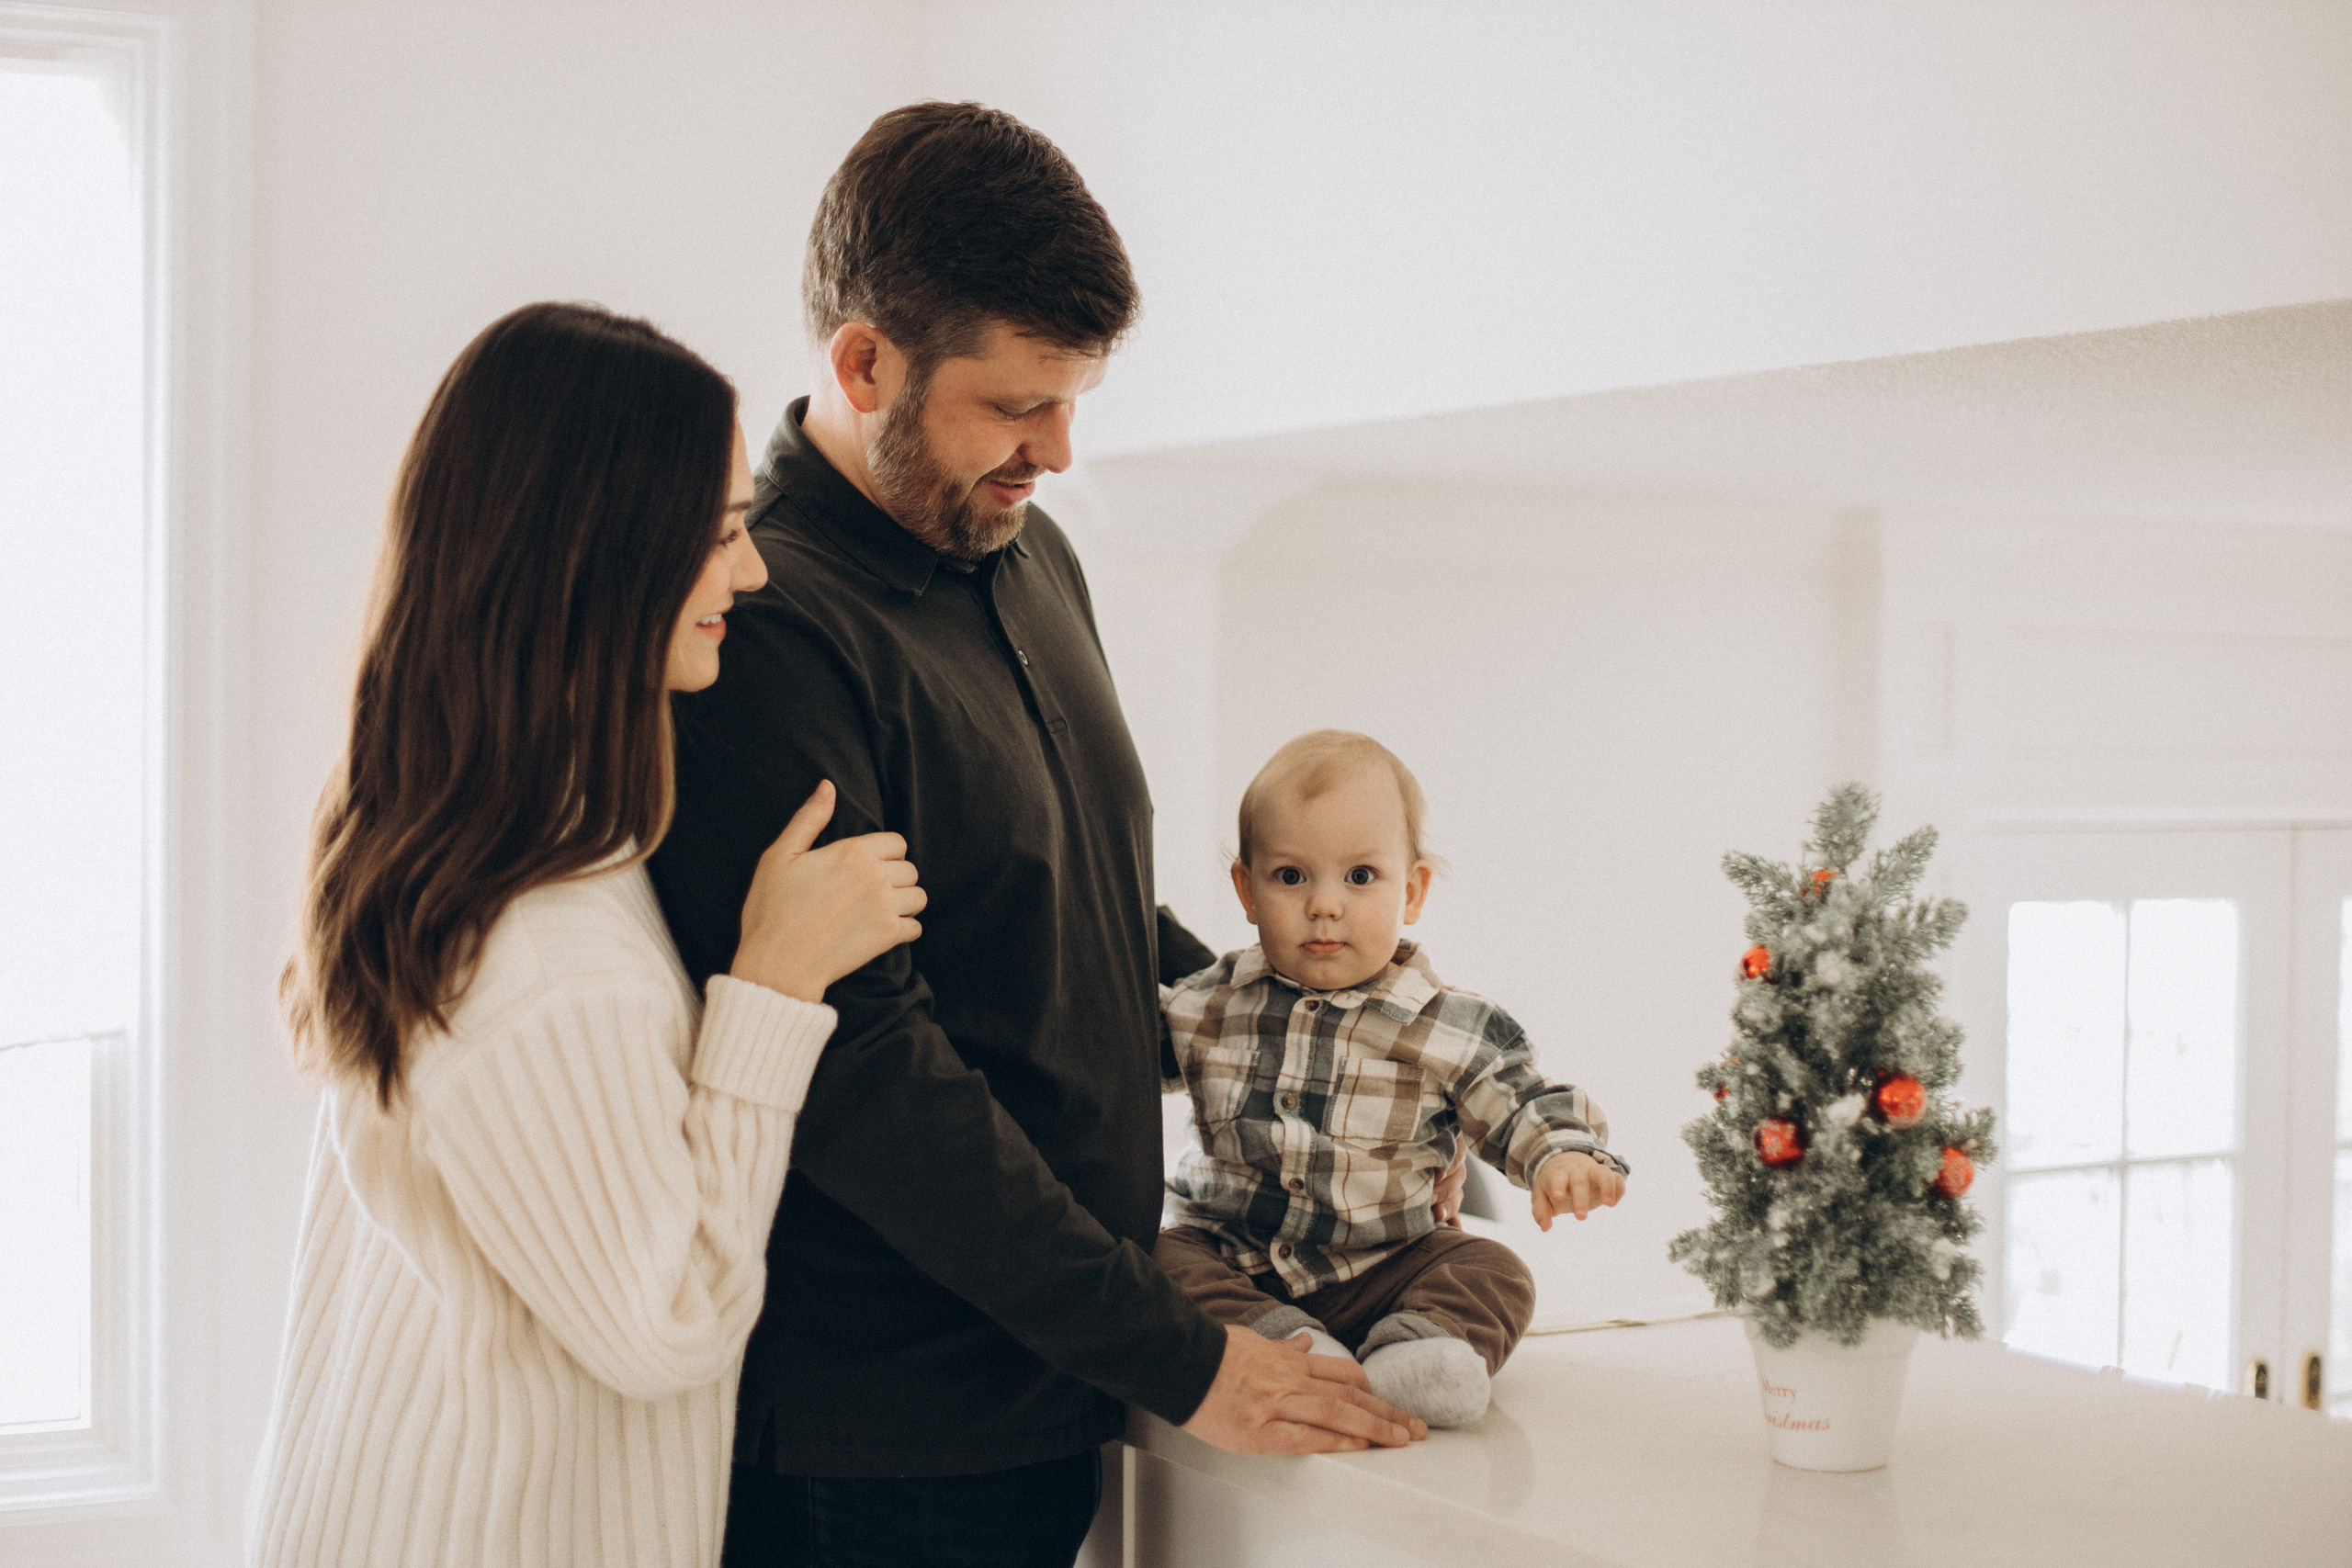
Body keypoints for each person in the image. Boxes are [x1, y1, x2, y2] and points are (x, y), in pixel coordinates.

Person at [648, 103, 1422, 1567]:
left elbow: (1082, 912)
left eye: (1074, 401)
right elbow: (864, 1068)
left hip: (1050, 1398)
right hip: (876, 1449)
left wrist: (1335, 1045)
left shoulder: (1027, 549)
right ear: (864, 361)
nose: (1058, 451)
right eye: (1016, 406)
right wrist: (1183, 1354)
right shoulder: (760, 626)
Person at [247, 302, 927, 1568]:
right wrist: (772, 990)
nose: (754, 571)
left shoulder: (465, 848)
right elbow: (668, 1320)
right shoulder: (546, 956)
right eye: (722, 534)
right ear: (599, 558)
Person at [1156, 730, 1630, 1427]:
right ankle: (1291, 1344)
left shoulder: (1447, 1023)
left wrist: (1561, 1151)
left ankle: (1411, 1353)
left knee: (1494, 1271)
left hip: (1383, 1263)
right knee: (1153, 1255)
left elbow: (1518, 1096)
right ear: (1246, 889)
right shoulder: (1208, 1003)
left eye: (1359, 876)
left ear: (1412, 890)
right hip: (1235, 1259)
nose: (1324, 904)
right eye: (1291, 876)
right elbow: (1114, 1052)